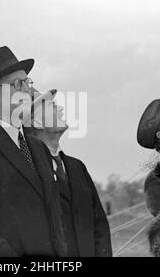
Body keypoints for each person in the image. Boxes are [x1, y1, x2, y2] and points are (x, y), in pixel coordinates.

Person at [0, 46, 67, 257]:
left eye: (28, 82)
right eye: (17, 84)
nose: (27, 89)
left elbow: (55, 221)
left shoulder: (38, 148)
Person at [23, 89, 112, 257]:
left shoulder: (77, 167)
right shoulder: (26, 170)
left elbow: (99, 225)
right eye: (52, 106)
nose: (61, 110)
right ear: (36, 121)